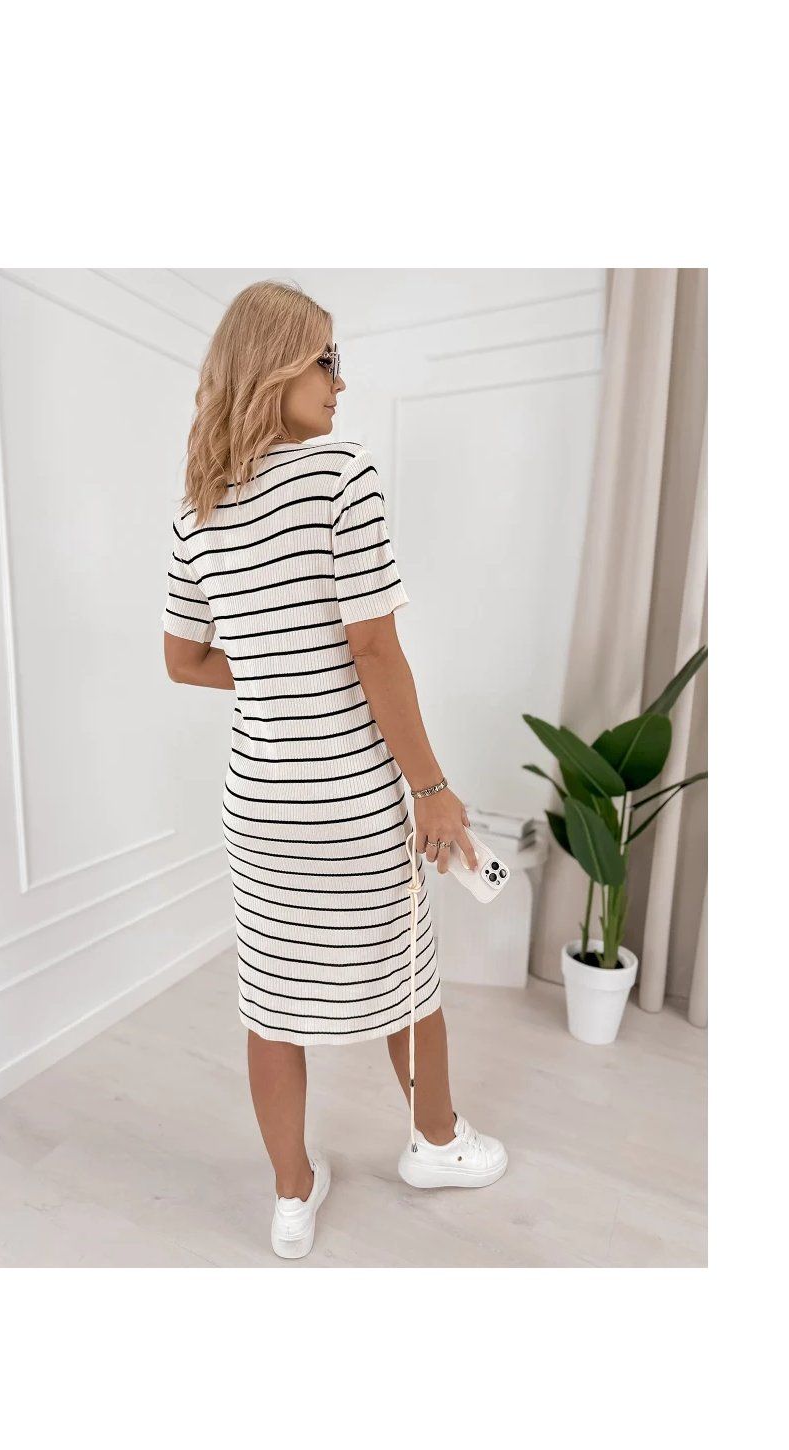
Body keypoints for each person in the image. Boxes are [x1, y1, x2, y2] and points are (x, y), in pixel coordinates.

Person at [163, 280, 507, 1260]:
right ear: (273, 364)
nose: (340, 382)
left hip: (259, 808)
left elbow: (184, 660)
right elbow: (374, 648)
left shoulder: (195, 514)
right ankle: (436, 1143)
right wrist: (431, 790)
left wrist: (277, 665)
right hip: (351, 801)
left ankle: (291, 1195)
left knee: (272, 1006)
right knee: (407, 977)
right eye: (325, 360)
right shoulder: (340, 475)